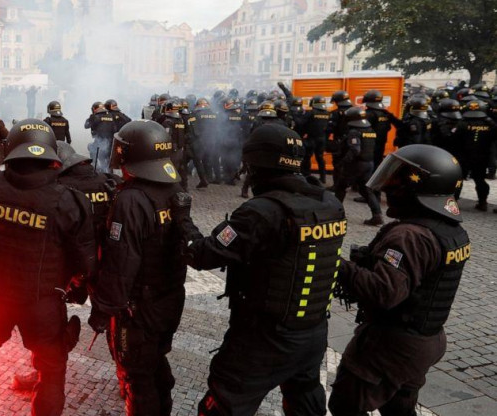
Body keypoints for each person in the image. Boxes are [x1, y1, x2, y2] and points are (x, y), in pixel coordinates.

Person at [172, 124, 345, 416]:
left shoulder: (260, 212)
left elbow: (202, 255)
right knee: (306, 403)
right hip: (313, 333)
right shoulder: (330, 203)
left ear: (254, 164)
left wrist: (183, 220)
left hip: (264, 339)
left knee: (224, 405)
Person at [0, 119, 96, 416]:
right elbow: (86, 263)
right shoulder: (69, 201)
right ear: (52, 157)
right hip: (43, 302)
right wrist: (73, 285)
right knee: (51, 369)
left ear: (9, 150)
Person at [329, 145, 469, 416]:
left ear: (418, 187)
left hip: (391, 344)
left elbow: (385, 292)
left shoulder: (409, 236)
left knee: (345, 405)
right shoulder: (451, 230)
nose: (389, 187)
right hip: (426, 339)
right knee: (399, 409)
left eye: (397, 179)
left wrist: (337, 265)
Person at [88, 120, 187, 415]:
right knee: (156, 364)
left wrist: (103, 309)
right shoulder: (172, 188)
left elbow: (121, 262)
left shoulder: (131, 199)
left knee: (137, 378)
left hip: (138, 309)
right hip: (169, 299)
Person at [332, 107, 385, 226]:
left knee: (340, 187)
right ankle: (377, 215)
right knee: (366, 190)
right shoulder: (370, 130)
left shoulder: (354, 132)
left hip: (356, 165)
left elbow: (355, 150)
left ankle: (335, 214)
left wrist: (343, 162)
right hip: (368, 164)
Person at [454, 100, 496, 211]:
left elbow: (454, 138)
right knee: (480, 180)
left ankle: (453, 202)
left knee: (458, 179)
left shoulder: (462, 123)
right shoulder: (489, 123)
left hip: (463, 156)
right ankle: (483, 202)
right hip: (482, 157)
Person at [300, 95, 329, 182]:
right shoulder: (327, 113)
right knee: (320, 158)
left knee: (307, 157)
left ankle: (307, 176)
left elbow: (303, 123)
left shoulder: (311, 112)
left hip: (312, 138)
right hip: (322, 138)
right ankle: (323, 178)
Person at [86, 101, 116, 173]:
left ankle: (95, 167)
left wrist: (90, 118)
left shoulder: (95, 117)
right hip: (110, 142)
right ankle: (109, 172)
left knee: (90, 147)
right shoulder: (111, 116)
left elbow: (86, 126)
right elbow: (114, 129)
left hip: (100, 142)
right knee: (106, 158)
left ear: (94, 109)